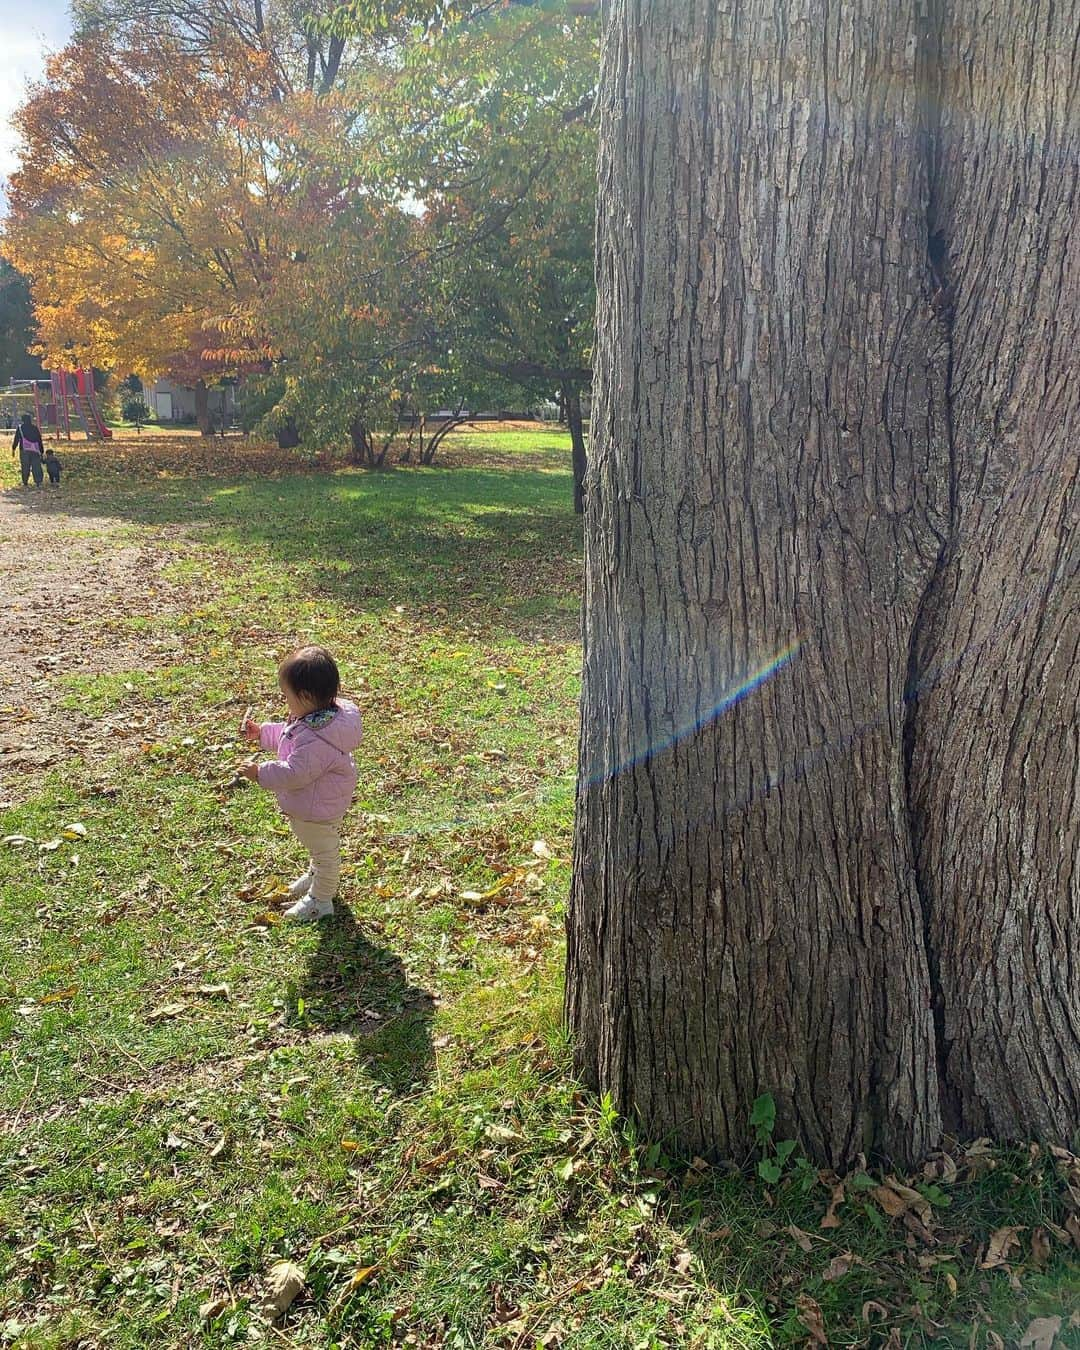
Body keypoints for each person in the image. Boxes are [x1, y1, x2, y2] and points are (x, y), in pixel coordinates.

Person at [240, 646, 362, 921]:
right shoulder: (321, 717)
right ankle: (316, 875)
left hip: (316, 806)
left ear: (305, 696)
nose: (285, 701)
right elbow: (290, 736)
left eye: (287, 696)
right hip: (319, 800)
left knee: (325, 852)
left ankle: (321, 900)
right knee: (318, 847)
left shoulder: (317, 740)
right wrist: (262, 733)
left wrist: (260, 773)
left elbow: (295, 772)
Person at [12, 413, 45, 488]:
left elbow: (16, 439)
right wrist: (41, 450)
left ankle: (25, 481)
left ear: (22, 420)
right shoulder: (34, 428)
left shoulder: (20, 428)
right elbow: (39, 439)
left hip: (24, 449)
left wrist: (14, 448)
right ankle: (38, 481)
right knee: (36, 465)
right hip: (35, 449)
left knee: (25, 466)